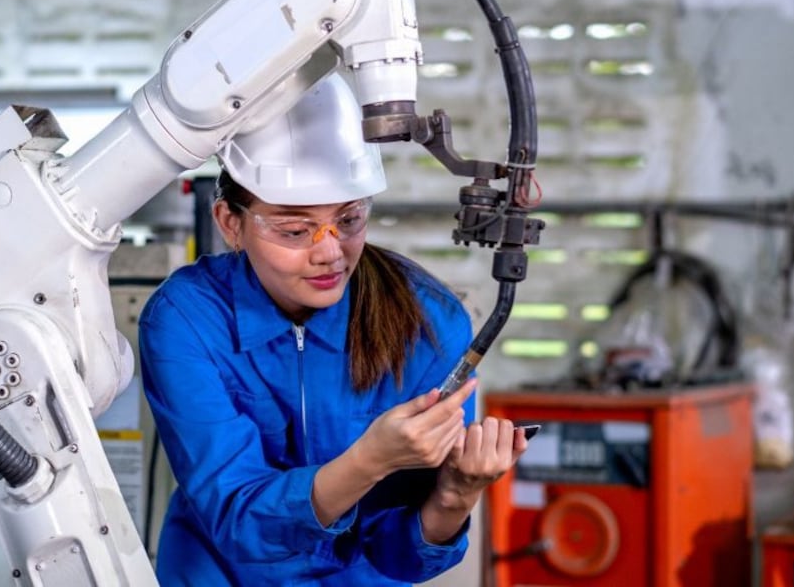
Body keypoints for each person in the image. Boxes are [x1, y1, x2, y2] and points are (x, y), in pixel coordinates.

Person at [139, 73, 528, 586]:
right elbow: (238, 520)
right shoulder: (188, 320)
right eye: (295, 230)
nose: (328, 251)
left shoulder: (427, 323)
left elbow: (403, 556)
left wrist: (456, 494)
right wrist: (369, 459)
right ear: (230, 222)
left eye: (349, 220)